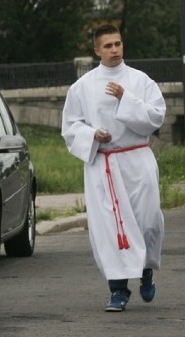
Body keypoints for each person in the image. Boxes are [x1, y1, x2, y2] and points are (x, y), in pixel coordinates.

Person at [61, 23, 166, 312]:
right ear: (97, 50)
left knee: (146, 220)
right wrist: (92, 135)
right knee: (110, 227)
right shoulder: (82, 87)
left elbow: (156, 117)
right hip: (103, 163)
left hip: (137, 158)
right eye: (108, 45)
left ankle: (145, 271)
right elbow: (70, 127)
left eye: (118, 44)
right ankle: (118, 290)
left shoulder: (140, 80)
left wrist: (125, 98)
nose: (115, 50)